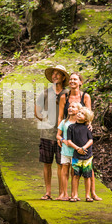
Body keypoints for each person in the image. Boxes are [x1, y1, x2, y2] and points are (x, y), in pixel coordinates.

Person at [58, 72, 101, 201]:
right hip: (69, 131)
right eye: (70, 79)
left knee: (88, 166)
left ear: (80, 82)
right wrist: (59, 132)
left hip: (83, 131)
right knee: (67, 166)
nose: (72, 81)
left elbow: (89, 114)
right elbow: (61, 115)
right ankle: (65, 194)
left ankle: (92, 193)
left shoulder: (85, 96)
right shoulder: (64, 97)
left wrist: (89, 125)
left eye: (75, 79)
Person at [34, 65, 70, 200]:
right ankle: (48, 192)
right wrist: (46, 120)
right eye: (53, 74)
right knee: (47, 163)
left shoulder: (67, 93)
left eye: (58, 74)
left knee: (62, 164)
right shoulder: (45, 93)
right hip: (47, 134)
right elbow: (37, 111)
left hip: (63, 135)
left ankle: (62, 193)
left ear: (63, 77)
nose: (55, 76)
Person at [65, 107, 95, 202]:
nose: (78, 114)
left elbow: (91, 140)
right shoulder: (71, 127)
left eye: (82, 113)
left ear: (86, 119)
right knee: (75, 175)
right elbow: (69, 141)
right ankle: (75, 195)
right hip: (76, 155)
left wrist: (84, 148)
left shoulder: (87, 127)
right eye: (79, 112)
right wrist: (77, 148)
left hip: (87, 156)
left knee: (87, 176)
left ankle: (87, 195)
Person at [56, 101, 82, 201]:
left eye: (73, 107)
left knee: (74, 173)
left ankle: (74, 194)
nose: (70, 108)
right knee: (64, 172)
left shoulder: (81, 123)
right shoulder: (64, 122)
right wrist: (62, 140)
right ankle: (64, 194)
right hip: (65, 151)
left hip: (76, 152)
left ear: (79, 110)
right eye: (69, 106)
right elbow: (58, 135)